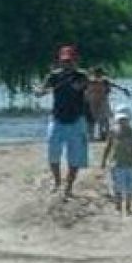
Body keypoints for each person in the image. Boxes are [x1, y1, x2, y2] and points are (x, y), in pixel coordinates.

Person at [35, 45, 89, 198]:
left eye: (70, 61)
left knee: (75, 156)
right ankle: (57, 181)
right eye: (65, 61)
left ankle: (69, 186)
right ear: (60, 61)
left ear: (75, 61)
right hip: (57, 118)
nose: (67, 64)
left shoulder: (81, 75)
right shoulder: (53, 76)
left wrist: (72, 82)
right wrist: (40, 91)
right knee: (53, 151)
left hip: (76, 120)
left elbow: (82, 86)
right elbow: (41, 89)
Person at [100, 106, 132, 216]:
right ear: (116, 120)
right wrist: (104, 161)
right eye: (120, 120)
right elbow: (108, 146)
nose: (122, 122)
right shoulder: (113, 132)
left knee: (130, 188)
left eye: (125, 120)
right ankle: (118, 207)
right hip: (117, 164)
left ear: (129, 120)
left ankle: (128, 208)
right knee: (118, 187)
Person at [85, 67, 131, 142]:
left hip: (102, 102)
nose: (98, 75)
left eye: (99, 73)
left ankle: (104, 135)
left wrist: (123, 89)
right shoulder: (90, 81)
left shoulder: (104, 81)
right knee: (93, 120)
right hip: (92, 102)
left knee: (103, 120)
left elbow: (114, 85)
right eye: (97, 73)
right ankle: (92, 136)